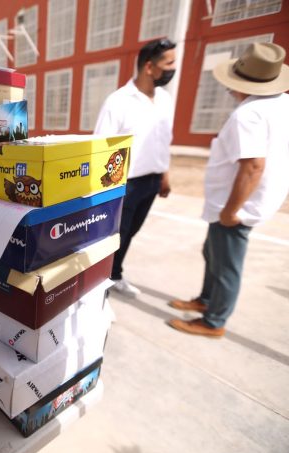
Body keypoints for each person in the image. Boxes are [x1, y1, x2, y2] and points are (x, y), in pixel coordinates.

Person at [168, 42, 289, 338]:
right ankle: (206, 300)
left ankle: (214, 321)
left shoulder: (249, 115)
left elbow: (253, 166)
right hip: (249, 201)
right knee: (213, 254)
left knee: (226, 266)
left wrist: (231, 210)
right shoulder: (282, 103)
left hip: (237, 206)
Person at [94, 38, 176, 297]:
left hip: (152, 181)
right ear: (149, 67)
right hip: (124, 185)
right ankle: (100, 289)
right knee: (112, 237)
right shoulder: (118, 101)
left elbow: (164, 139)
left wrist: (164, 174)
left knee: (131, 233)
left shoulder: (165, 99)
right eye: (169, 63)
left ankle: (115, 275)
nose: (173, 69)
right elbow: (102, 148)